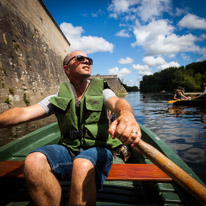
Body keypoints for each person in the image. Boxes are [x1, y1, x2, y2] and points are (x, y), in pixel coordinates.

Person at [0, 50, 141, 206]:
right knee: (33, 161)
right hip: (68, 150)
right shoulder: (58, 96)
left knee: (82, 164)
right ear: (66, 68)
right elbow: (23, 113)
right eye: (80, 58)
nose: (86, 61)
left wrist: (126, 114)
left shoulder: (103, 90)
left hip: (99, 149)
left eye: (89, 59)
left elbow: (117, 103)